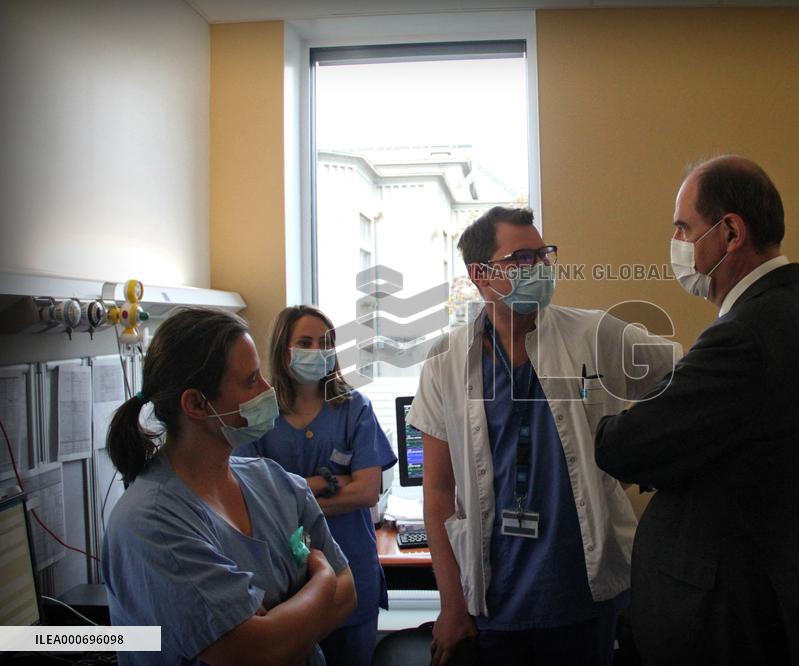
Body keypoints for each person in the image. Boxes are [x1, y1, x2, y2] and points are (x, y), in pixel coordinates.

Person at [595, 156, 799, 664]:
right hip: (777, 599)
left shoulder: (743, 336)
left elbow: (622, 444)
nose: (677, 243)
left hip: (731, 618)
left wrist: (642, 398)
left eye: (684, 228)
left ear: (730, 232)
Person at [406, 206, 679, 666]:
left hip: (581, 594)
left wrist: (644, 453)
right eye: (522, 258)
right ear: (480, 275)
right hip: (494, 599)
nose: (540, 267)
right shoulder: (445, 361)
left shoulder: (594, 334)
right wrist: (451, 604)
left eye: (543, 254)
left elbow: (680, 373)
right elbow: (436, 494)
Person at [103, 307, 357, 666]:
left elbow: (350, 595)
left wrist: (286, 626)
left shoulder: (275, 483)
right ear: (196, 404)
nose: (268, 390)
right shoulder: (152, 523)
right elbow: (258, 651)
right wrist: (323, 581)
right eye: (252, 380)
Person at [235, 305, 397, 666]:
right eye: (305, 342)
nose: (318, 350)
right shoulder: (258, 414)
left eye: (325, 342)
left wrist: (286, 493)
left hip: (351, 570)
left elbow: (367, 492)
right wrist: (326, 483)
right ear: (283, 348)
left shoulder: (354, 408)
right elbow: (249, 499)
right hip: (283, 580)